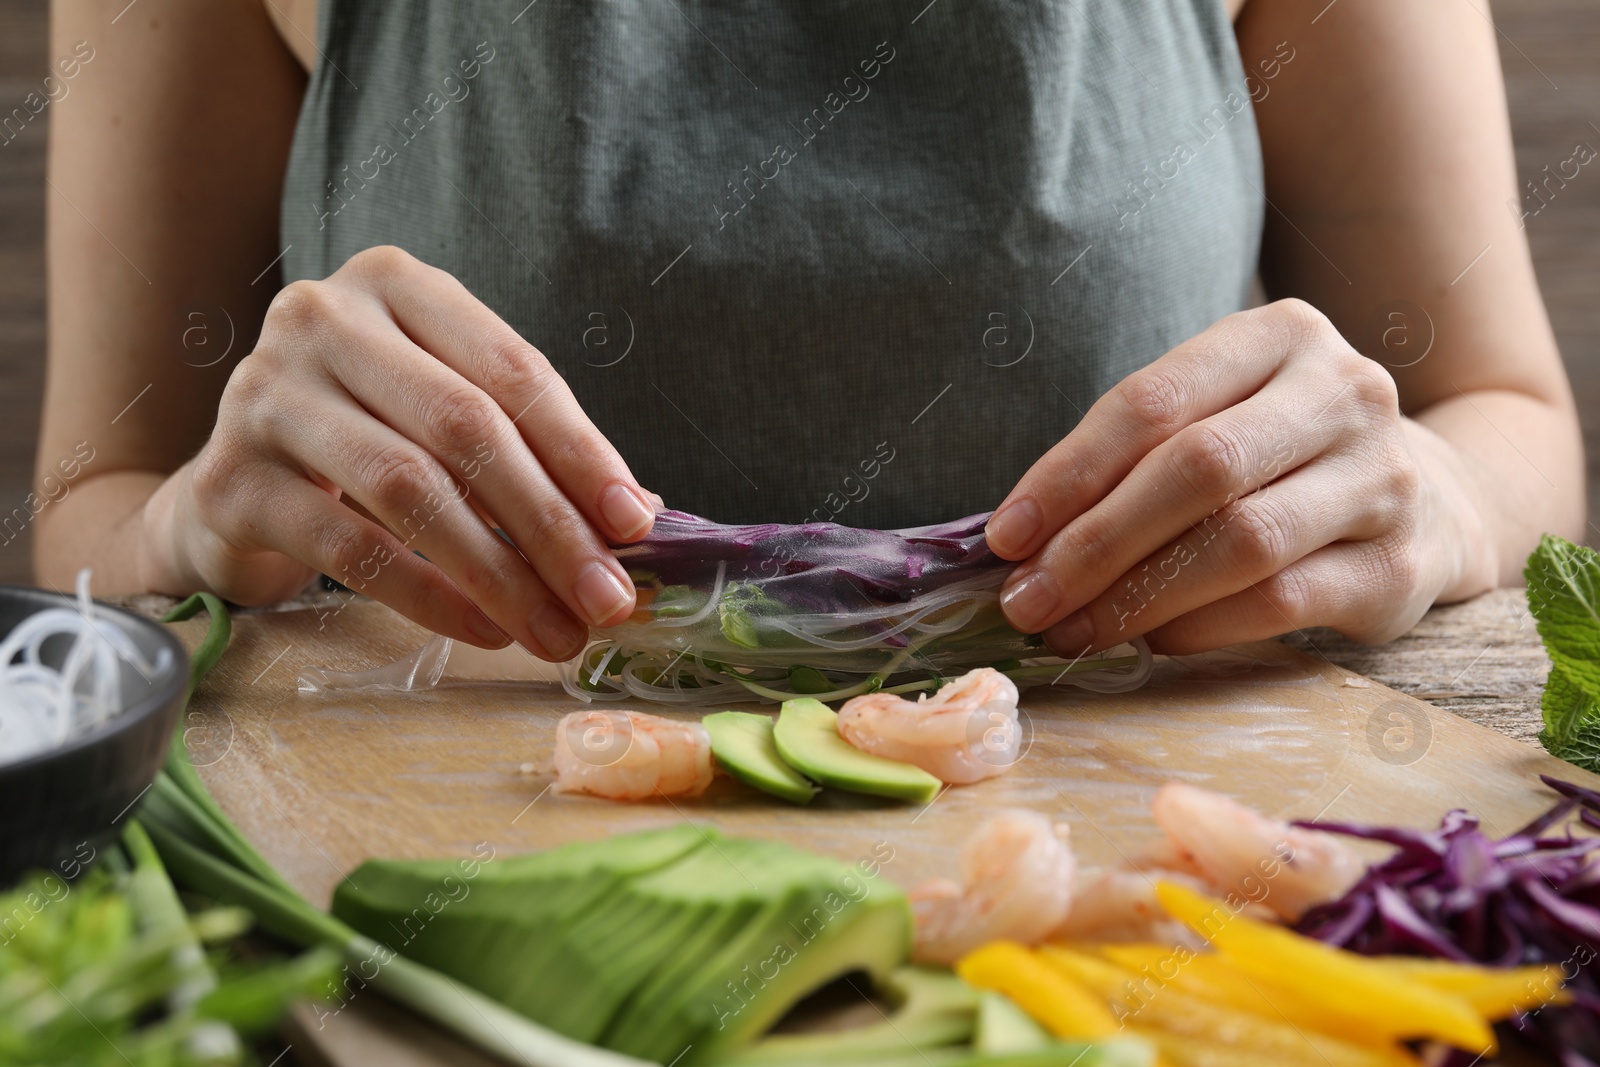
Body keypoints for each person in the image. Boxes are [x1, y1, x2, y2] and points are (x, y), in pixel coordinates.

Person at [37, 0, 1585, 666]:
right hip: (436, 885)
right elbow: (90, 528)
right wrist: (195, 521)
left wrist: (1427, 497)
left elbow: (1506, 414)